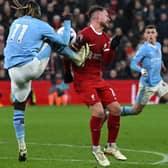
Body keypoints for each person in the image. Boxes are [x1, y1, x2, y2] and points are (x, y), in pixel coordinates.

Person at [3, 0, 88, 162]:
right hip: (30, 67)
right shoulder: (41, 25)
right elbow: (63, 42)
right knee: (52, 42)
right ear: (37, 12)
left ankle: (22, 147)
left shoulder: (15, 23)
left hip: (13, 72)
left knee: (19, 108)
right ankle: (77, 59)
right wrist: (68, 22)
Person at [64, 6, 127, 167]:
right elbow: (68, 53)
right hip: (83, 80)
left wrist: (112, 48)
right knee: (99, 112)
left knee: (116, 109)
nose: (110, 19)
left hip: (98, 79)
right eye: (107, 16)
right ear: (97, 17)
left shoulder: (106, 38)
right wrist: (67, 72)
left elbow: (105, 62)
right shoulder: (84, 34)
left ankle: (111, 146)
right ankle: (96, 148)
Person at [120, 25, 168, 116]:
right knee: (135, 110)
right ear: (145, 35)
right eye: (148, 33)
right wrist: (141, 70)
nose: (150, 35)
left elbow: (157, 57)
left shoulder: (158, 45)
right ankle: (111, 112)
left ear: (156, 34)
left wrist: (161, 64)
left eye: (152, 32)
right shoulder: (143, 49)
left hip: (158, 82)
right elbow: (132, 64)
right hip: (147, 86)